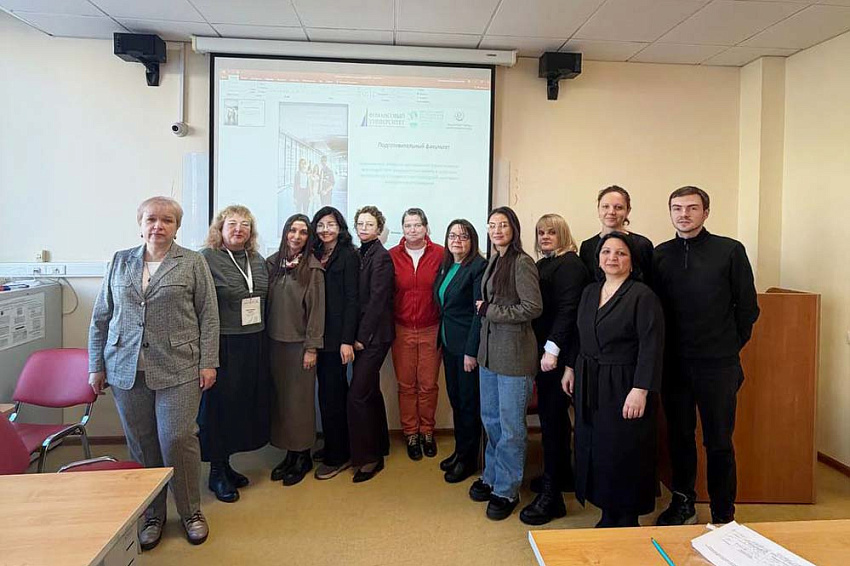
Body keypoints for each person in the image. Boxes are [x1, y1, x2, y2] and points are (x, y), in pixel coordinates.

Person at [88, 196, 218, 549]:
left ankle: (191, 512)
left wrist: (209, 361)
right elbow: (101, 317)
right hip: (126, 368)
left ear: (177, 227)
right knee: (142, 443)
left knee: (177, 439)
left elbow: (208, 316)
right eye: (151, 219)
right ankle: (152, 514)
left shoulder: (192, 262)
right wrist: (96, 365)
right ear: (140, 224)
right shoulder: (120, 261)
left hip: (179, 366)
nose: (158, 226)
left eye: (167, 220)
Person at [654, 186, 759, 526]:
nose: (684, 214)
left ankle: (723, 513)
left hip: (718, 365)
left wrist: (728, 346)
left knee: (719, 441)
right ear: (670, 213)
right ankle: (683, 503)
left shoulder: (730, 250)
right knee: (680, 438)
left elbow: (748, 308)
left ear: (706, 212)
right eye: (677, 208)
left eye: (692, 208)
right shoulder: (660, 255)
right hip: (674, 365)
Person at [565, 232, 664, 528]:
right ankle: (607, 512)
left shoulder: (642, 296)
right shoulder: (589, 292)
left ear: (632, 262)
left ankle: (627, 517)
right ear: (598, 259)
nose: (612, 258)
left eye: (621, 253)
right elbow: (579, 335)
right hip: (590, 379)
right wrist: (570, 368)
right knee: (597, 446)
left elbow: (651, 345)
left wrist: (640, 389)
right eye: (606, 252)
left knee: (624, 449)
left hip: (625, 382)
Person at [469, 206, 543, 521]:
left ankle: (507, 489)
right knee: (491, 421)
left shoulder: (522, 262)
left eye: (503, 225)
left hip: (514, 357)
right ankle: (492, 477)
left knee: (511, 427)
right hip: (489, 356)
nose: (497, 230)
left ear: (513, 228)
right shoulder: (494, 260)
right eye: (492, 225)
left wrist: (490, 311)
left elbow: (532, 307)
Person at [520, 214, 590, 526]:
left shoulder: (570, 265)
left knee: (552, 421)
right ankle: (560, 476)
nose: (545, 237)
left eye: (551, 232)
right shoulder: (545, 264)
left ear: (563, 234)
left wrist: (552, 350)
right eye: (540, 232)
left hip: (558, 355)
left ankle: (553, 497)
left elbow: (568, 312)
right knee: (554, 420)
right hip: (546, 351)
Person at [199, 205, 270, 503]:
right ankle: (216, 471)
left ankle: (227, 465)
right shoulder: (206, 258)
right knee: (218, 408)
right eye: (232, 223)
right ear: (220, 228)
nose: (238, 229)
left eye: (245, 224)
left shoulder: (258, 260)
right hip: (223, 342)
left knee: (241, 405)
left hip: (254, 341)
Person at [267, 214, 326, 486]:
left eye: (303, 232)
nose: (297, 236)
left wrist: (312, 348)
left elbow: (317, 312)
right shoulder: (272, 264)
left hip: (300, 347)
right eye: (292, 230)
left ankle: (302, 455)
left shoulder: (313, 269)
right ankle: (289, 453)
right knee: (281, 401)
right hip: (274, 344)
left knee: (299, 403)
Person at [389, 208, 445, 460]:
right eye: (408, 225)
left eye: (417, 225)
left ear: (426, 227)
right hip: (401, 330)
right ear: (402, 229)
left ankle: (427, 431)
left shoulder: (441, 254)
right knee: (406, 385)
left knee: (428, 385)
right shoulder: (391, 256)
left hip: (431, 328)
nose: (412, 230)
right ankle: (411, 433)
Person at [433, 219, 487, 483]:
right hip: (448, 344)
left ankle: (468, 459)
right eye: (452, 235)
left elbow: (478, 314)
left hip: (466, 349)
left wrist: (471, 351)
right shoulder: (447, 265)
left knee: (468, 404)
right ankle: (459, 451)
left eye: (463, 236)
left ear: (472, 241)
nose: (457, 240)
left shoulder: (478, 267)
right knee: (456, 400)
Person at [311, 206, 359, 480]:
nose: (325, 229)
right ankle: (332, 444)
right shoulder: (316, 253)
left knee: (334, 396)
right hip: (319, 335)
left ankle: (339, 456)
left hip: (336, 339)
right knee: (325, 396)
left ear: (340, 228)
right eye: (320, 225)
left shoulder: (348, 255)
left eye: (330, 224)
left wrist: (346, 341)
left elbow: (353, 300)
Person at [349, 205, 395, 482]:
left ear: (379, 229)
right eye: (361, 224)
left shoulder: (382, 257)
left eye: (370, 224)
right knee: (370, 391)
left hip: (375, 336)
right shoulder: (360, 253)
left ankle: (370, 459)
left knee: (357, 395)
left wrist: (361, 337)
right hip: (365, 335)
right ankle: (381, 445)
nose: (364, 228)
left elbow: (378, 301)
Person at [579, 186, 654, 285]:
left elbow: (650, 283)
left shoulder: (642, 245)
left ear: (628, 211)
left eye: (618, 207)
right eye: (605, 207)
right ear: (598, 209)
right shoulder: (587, 247)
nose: (611, 212)